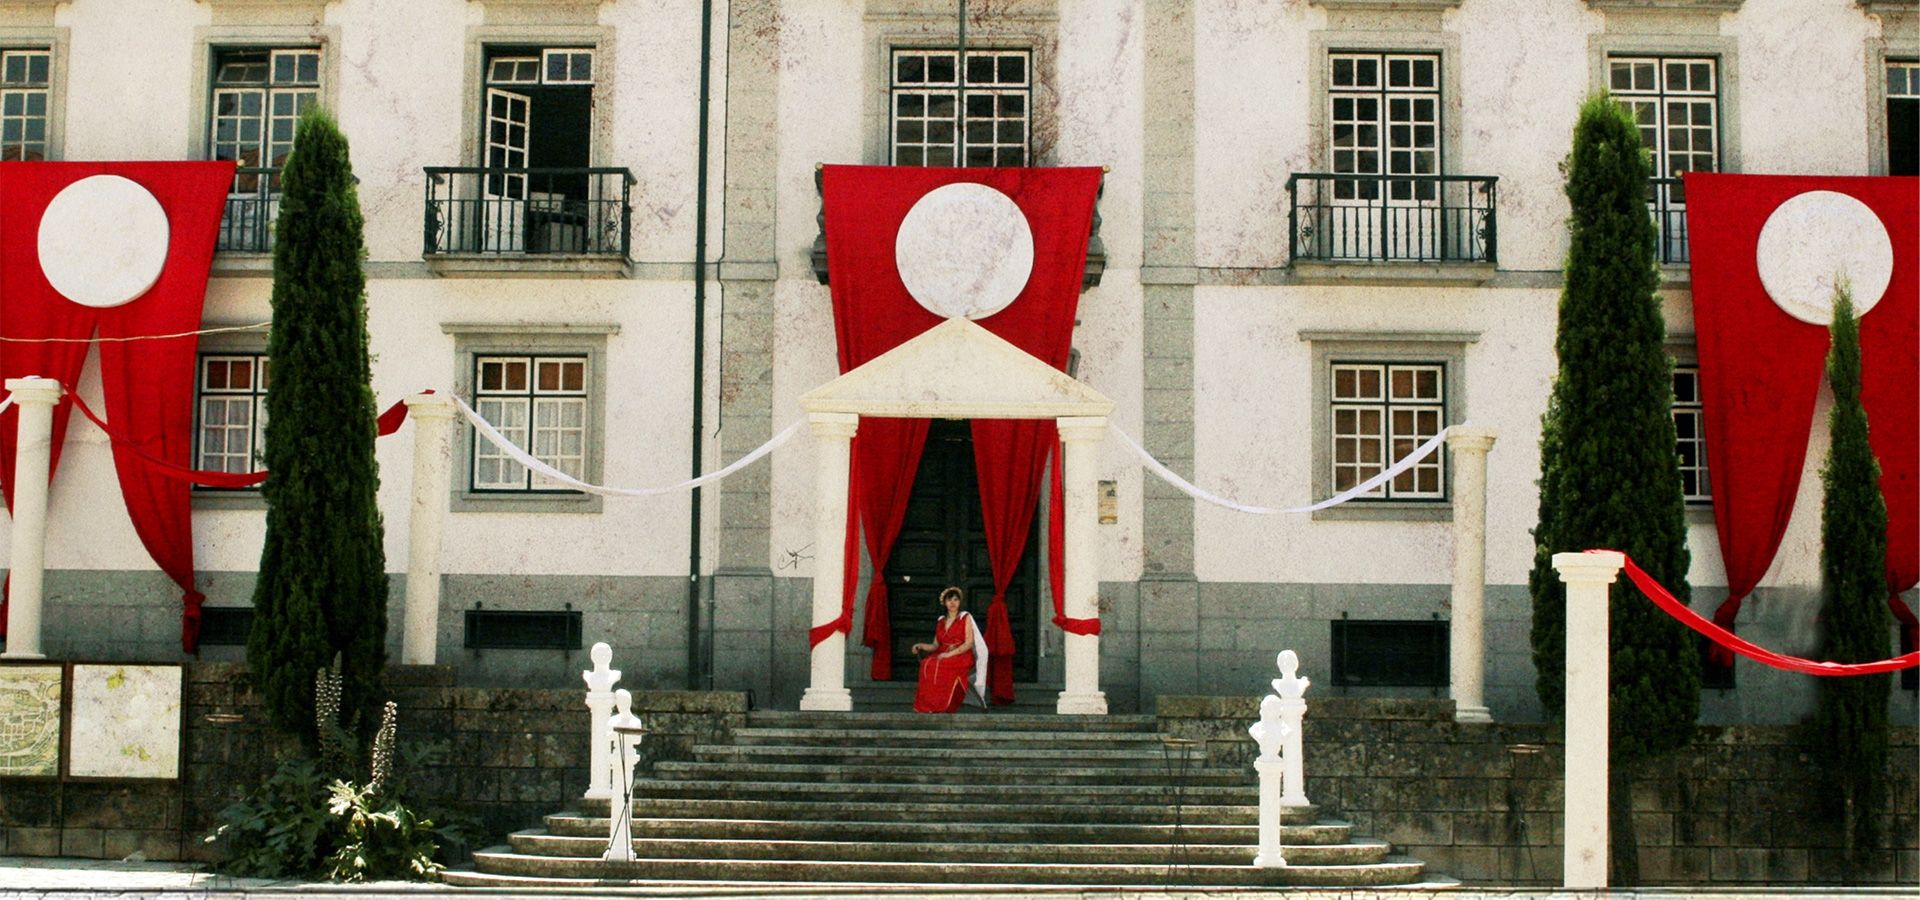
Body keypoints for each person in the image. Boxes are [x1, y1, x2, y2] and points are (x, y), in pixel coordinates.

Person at [910, 586, 988, 714]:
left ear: (959, 602)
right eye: (949, 600)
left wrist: (949, 654)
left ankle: (943, 705)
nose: (952, 603)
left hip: (961, 655)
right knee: (927, 664)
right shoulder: (941, 621)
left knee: (941, 665)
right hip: (943, 653)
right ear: (944, 602)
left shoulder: (965, 618)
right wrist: (921, 645)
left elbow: (968, 643)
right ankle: (928, 704)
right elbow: (935, 645)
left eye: (956, 600)